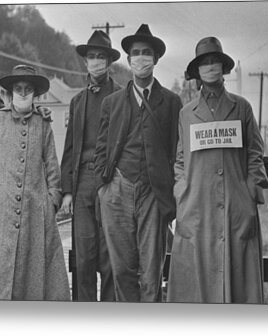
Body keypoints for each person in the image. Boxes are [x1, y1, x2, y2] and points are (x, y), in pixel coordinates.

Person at [167, 37, 268, 303]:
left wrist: (249, 193)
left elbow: (256, 154)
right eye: (204, 63)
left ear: (223, 68)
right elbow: (180, 159)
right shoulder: (187, 113)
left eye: (215, 62)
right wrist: (181, 192)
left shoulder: (242, 107)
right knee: (198, 281)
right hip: (197, 207)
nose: (210, 67)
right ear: (197, 71)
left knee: (238, 280)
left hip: (236, 206)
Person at [0, 65, 70, 301]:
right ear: (11, 93)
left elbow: (51, 163)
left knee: (31, 268)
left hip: (35, 209)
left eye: (28, 89)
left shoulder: (43, 123)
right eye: (18, 89)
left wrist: (52, 199)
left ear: (35, 94)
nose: (23, 93)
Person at [94, 24, 182, 302]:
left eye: (146, 53)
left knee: (151, 272)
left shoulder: (171, 102)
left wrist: (170, 190)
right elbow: (101, 149)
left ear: (155, 59)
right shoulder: (113, 102)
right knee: (122, 270)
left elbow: (176, 150)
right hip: (118, 190)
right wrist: (104, 188)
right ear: (129, 59)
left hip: (153, 193)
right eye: (135, 53)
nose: (140, 58)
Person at [60, 30, 120, 302]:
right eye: (91, 57)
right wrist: (68, 191)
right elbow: (70, 149)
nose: (96, 62)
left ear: (109, 62)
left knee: (110, 258)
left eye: (101, 57)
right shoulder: (77, 101)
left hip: (111, 182)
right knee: (83, 258)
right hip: (83, 181)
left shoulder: (122, 96)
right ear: (85, 62)